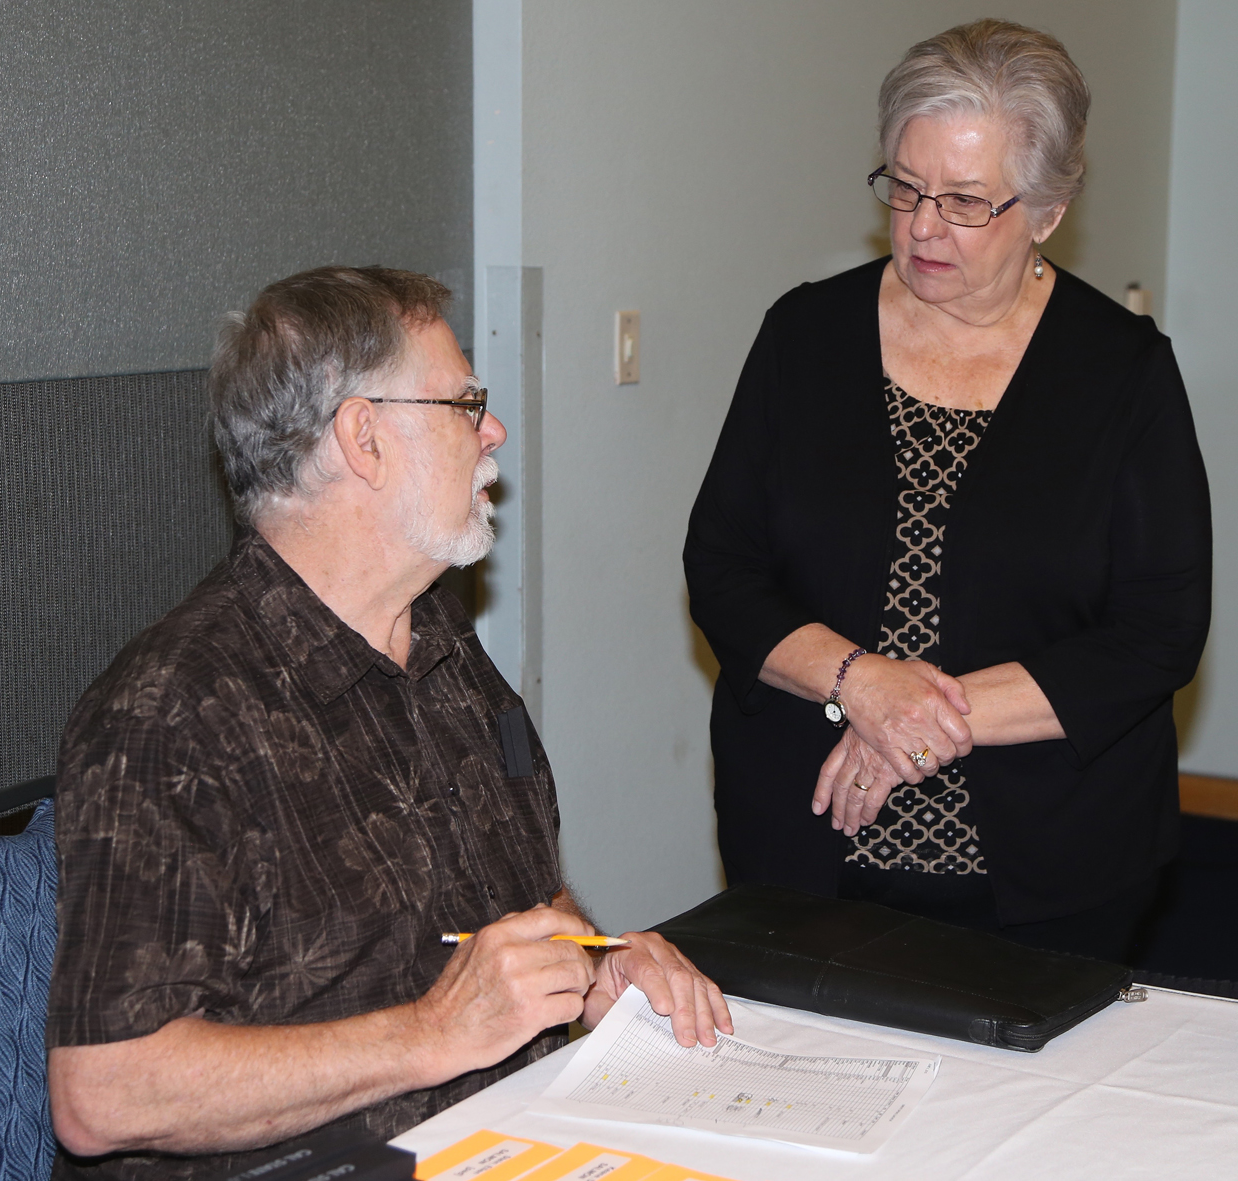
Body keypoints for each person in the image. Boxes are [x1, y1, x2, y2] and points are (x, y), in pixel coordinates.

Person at [46, 266, 730, 1179]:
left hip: (516, 1137)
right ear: (363, 439)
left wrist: (592, 963)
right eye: (464, 403)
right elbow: (102, 1092)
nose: (493, 432)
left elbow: (517, 901)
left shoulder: (441, 640)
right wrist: (431, 1035)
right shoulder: (172, 717)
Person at [683, 19, 1211, 962]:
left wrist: (910, 724)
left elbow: (1158, 629)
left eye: (967, 201)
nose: (925, 226)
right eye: (907, 187)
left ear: (1046, 210)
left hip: (1056, 864)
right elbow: (722, 566)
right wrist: (862, 683)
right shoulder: (805, 337)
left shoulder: (1121, 372)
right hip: (804, 844)